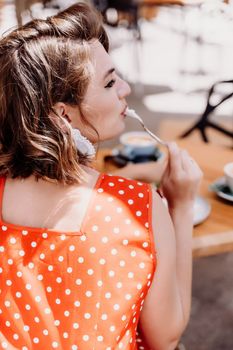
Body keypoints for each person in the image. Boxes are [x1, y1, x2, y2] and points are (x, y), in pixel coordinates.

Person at [0, 2, 202, 350]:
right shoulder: (140, 209)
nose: (125, 88)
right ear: (62, 115)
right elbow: (165, 337)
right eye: (110, 83)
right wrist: (179, 207)